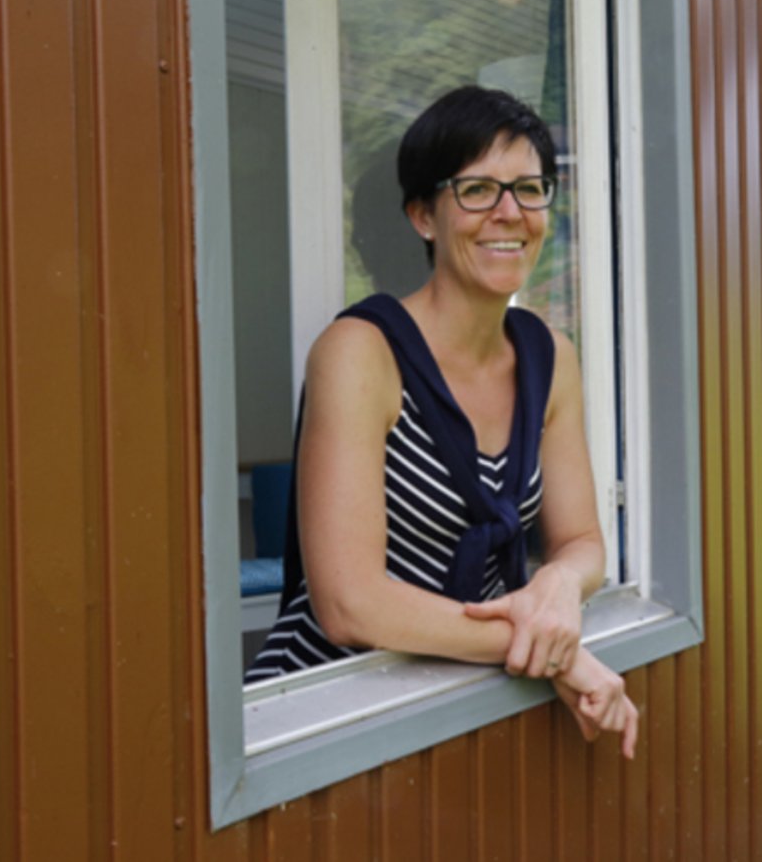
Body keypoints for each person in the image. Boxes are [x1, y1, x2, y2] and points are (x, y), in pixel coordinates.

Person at [245, 86, 638, 757]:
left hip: (455, 699)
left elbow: (580, 541)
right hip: (319, 714)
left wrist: (557, 585)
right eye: (478, 189)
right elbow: (349, 604)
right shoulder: (361, 352)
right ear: (423, 215)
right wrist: (555, 652)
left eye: (529, 188)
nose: (510, 212)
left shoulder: (549, 357)